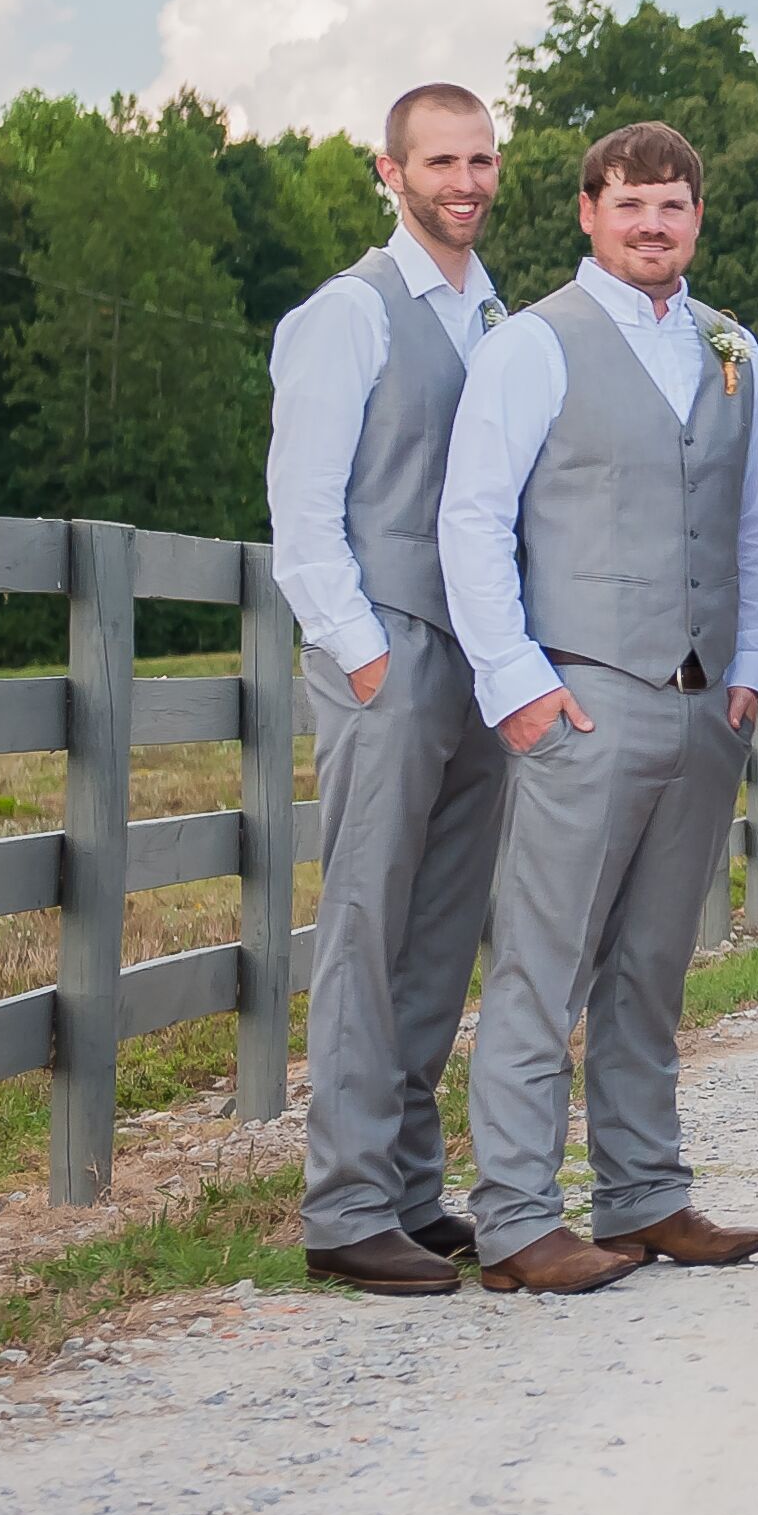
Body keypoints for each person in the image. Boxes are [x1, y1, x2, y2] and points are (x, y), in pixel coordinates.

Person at [438, 119, 758, 1295]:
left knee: (652, 963)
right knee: (545, 963)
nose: (652, 223)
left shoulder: (733, 347)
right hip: (581, 692)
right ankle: (519, 1217)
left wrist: (755, 662)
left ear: (696, 217)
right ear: (589, 212)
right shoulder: (534, 344)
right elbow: (473, 518)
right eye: (629, 203)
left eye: (672, 205)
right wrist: (518, 683)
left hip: (703, 703)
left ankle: (643, 1195)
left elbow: (747, 524)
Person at [270, 82, 513, 1297]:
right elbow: (304, 514)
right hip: (391, 653)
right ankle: (346, 1204)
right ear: (390, 170)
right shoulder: (348, 315)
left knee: (440, 928)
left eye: (481, 159)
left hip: (481, 662)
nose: (464, 181)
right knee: (366, 924)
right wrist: (364, 658)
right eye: (441, 162)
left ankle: (412, 1188)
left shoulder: (495, 315)